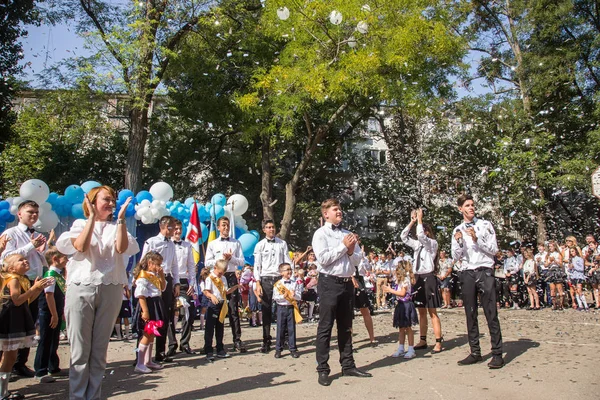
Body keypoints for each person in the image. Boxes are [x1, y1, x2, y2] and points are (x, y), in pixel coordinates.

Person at [56, 185, 139, 400]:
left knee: (99, 349)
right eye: (107, 199)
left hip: (111, 288)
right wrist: (92, 219)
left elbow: (121, 248)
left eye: (113, 200)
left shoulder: (118, 227)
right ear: (92, 203)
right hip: (81, 287)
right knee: (80, 349)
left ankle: (93, 396)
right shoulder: (79, 225)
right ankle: (77, 396)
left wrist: (120, 219)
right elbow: (80, 246)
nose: (111, 203)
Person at [312, 198, 371, 387]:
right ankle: (323, 369)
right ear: (325, 214)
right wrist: (344, 247)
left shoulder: (348, 234)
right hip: (329, 282)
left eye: (340, 209)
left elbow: (357, 262)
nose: (339, 212)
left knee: (346, 326)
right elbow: (323, 260)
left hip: (347, 283)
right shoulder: (320, 234)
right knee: (326, 327)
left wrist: (352, 250)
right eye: (335, 209)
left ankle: (348, 365)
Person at [451, 193, 504, 369]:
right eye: (467, 205)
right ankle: (475, 352)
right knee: (470, 313)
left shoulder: (485, 225)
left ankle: (497, 353)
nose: (471, 207)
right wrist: (459, 242)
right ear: (460, 209)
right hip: (467, 272)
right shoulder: (457, 229)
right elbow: (455, 256)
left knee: (490, 313)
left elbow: (494, 249)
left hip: (484, 270)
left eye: (472, 205)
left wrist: (476, 239)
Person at [0, 200, 48, 378]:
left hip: (34, 281)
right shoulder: (11, 233)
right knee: (10, 325)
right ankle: (4, 365)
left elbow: (42, 260)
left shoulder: (39, 234)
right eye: (30, 212)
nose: (34, 215)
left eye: (36, 212)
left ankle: (20, 363)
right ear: (20, 214)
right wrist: (31, 246)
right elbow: (6, 258)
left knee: (29, 322)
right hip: (16, 281)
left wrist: (42, 252)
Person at [0, 255, 53, 399]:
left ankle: (3, 391)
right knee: (9, 357)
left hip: (15, 319)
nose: (25, 261)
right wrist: (34, 288)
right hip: (9, 321)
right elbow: (16, 300)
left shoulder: (21, 279)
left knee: (10, 356)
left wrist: (37, 289)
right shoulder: (14, 279)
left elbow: (27, 300)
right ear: (11, 267)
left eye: (25, 259)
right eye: (20, 260)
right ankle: (2, 393)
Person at [400, 208, 443, 354]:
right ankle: (423, 339)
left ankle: (438, 341)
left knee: (432, 311)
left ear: (427, 232)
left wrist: (420, 219)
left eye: (423, 230)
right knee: (421, 311)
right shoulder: (417, 245)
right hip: (418, 278)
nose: (419, 234)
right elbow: (403, 236)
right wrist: (412, 222)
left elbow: (421, 236)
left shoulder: (432, 244)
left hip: (428, 277)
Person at [140, 216, 180, 362]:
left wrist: (176, 283)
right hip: (151, 279)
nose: (174, 230)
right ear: (165, 227)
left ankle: (160, 351)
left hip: (166, 279)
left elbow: (174, 265)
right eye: (172, 227)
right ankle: (142, 354)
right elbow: (143, 262)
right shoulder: (152, 242)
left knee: (164, 316)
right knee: (149, 316)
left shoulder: (172, 244)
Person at [205, 217, 246, 353]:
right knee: (216, 309)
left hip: (231, 276)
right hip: (218, 277)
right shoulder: (213, 244)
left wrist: (231, 258)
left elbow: (241, 262)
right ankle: (214, 343)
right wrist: (221, 260)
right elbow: (207, 263)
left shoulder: (236, 243)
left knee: (233, 310)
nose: (226, 228)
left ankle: (237, 340)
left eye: (227, 225)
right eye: (223, 225)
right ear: (218, 227)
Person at [253, 220, 292, 353]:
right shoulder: (259, 245)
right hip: (266, 279)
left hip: (279, 278)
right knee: (266, 310)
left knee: (284, 308)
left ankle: (285, 338)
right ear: (264, 230)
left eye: (273, 227)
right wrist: (257, 282)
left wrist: (289, 276)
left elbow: (287, 260)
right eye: (268, 227)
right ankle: (266, 339)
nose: (271, 229)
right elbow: (257, 265)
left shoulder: (282, 243)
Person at [34, 247, 68, 383]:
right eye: (64, 257)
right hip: (48, 312)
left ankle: (53, 366)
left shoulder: (58, 275)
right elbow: (49, 296)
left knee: (54, 340)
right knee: (46, 340)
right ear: (55, 259)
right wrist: (54, 314)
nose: (67, 260)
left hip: (56, 311)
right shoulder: (50, 275)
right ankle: (40, 370)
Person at [131, 251, 168, 373]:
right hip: (149, 305)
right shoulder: (143, 276)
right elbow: (141, 295)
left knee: (152, 334)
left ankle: (148, 360)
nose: (160, 267)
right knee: (147, 334)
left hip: (156, 304)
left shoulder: (154, 275)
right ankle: (140, 363)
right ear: (150, 263)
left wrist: (162, 275)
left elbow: (162, 288)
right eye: (158, 264)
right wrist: (145, 311)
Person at [203, 260, 238, 361]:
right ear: (215, 268)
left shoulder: (223, 278)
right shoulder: (210, 278)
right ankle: (208, 349)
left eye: (222, 273)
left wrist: (235, 287)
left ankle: (220, 348)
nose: (220, 275)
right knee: (210, 328)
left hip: (222, 304)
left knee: (220, 327)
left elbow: (225, 291)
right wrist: (212, 296)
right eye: (219, 273)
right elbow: (206, 291)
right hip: (213, 305)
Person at [172, 220, 197, 354]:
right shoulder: (168, 244)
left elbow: (191, 266)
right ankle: (171, 345)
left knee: (188, 313)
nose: (178, 231)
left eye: (180, 228)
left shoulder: (187, 245)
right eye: (175, 228)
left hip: (183, 281)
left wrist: (192, 283)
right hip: (170, 281)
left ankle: (185, 343)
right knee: (171, 314)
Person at [384, 260, 418, 359]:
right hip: (401, 304)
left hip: (406, 304)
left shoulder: (406, 280)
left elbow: (403, 293)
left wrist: (390, 290)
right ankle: (401, 348)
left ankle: (411, 349)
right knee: (401, 327)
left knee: (408, 327)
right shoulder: (400, 280)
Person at [273, 263, 302, 358]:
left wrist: (294, 295)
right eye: (287, 270)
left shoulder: (294, 283)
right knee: (280, 329)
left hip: (291, 308)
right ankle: (278, 349)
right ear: (281, 272)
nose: (289, 271)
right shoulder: (278, 284)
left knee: (291, 329)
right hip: (281, 308)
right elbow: (275, 297)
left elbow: (299, 296)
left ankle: (293, 348)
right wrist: (283, 296)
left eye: (290, 269)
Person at [352, 247, 376, 346]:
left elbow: (368, 269)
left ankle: (372, 338)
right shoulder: (347, 254)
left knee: (365, 309)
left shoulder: (362, 256)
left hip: (360, 279)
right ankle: (350, 340)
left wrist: (363, 258)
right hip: (350, 278)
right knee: (348, 312)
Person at [545, 241, 565, 310]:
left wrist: (555, 260)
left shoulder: (558, 254)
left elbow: (561, 264)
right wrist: (550, 261)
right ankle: (554, 304)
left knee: (559, 288)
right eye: (549, 247)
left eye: (551, 246)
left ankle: (561, 305)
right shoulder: (548, 255)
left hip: (557, 270)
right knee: (552, 289)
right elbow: (545, 265)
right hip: (550, 271)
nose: (550, 248)